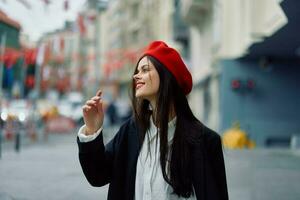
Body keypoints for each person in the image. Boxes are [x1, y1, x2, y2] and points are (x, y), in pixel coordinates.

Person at [77, 41, 228, 200]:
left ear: (167, 76)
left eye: (145, 69)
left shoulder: (205, 141)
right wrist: (92, 130)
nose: (136, 75)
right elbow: (98, 175)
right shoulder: (131, 131)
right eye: (137, 70)